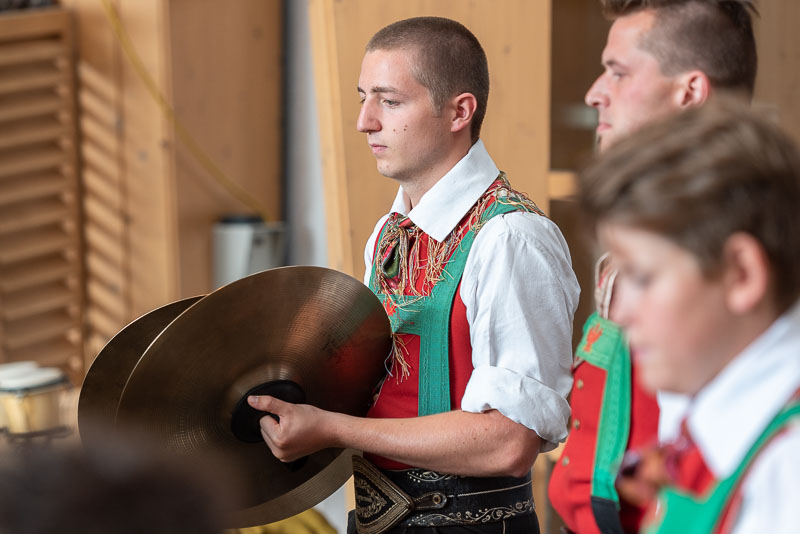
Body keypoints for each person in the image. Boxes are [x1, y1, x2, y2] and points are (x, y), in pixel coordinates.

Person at [247, 16, 579, 534]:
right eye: (363, 98)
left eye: (390, 101)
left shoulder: (511, 237)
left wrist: (335, 429)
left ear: (459, 112)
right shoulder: (388, 232)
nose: (365, 121)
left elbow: (510, 441)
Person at [547, 1, 759, 533]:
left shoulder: (732, 249)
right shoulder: (645, 230)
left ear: (690, 91)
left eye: (618, 72)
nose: (595, 92)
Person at [577, 99, 800, 534]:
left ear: (741, 273)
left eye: (642, 277)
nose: (619, 313)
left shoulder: (786, 472)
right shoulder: (717, 421)